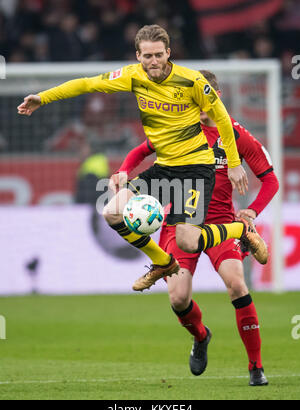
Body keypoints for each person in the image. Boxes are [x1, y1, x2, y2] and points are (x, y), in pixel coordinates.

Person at [17, 24, 268, 292]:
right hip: (163, 169)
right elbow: (86, 84)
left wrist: (232, 164)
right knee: (112, 213)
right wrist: (42, 98)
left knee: (188, 240)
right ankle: (162, 262)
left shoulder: (193, 81)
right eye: (147, 56)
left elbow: (222, 120)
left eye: (159, 54)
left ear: (168, 53)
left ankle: (241, 230)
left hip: (196, 169)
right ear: (138, 56)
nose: (154, 61)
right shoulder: (133, 76)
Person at [113, 71, 279, 386]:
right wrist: (124, 171)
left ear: (217, 98)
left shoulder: (237, 135)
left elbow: (271, 180)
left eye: (205, 99)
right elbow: (141, 151)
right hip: (179, 223)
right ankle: (201, 336)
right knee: (178, 299)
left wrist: (252, 212)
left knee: (237, 286)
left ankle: (255, 367)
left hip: (219, 222)